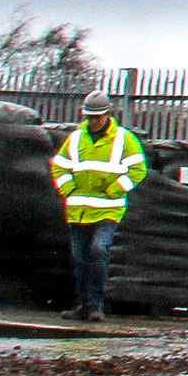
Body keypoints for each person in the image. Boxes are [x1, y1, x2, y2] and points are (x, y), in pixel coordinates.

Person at [52, 96, 148, 321]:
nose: (93, 121)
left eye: (97, 117)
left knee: (98, 249)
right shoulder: (76, 139)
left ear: (107, 115)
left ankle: (96, 304)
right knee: (80, 257)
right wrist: (69, 190)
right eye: (90, 117)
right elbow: (59, 167)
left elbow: (138, 170)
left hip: (108, 209)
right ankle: (83, 305)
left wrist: (115, 189)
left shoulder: (124, 139)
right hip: (79, 210)